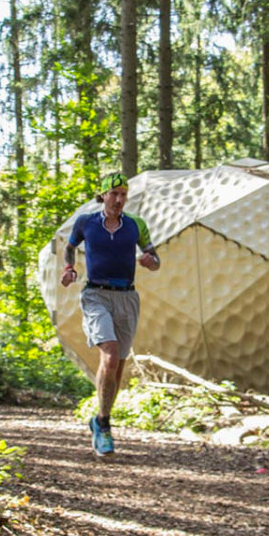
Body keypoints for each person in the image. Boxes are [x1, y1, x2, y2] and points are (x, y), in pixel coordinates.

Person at [61, 172, 161, 456]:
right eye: (114, 193)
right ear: (103, 195)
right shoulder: (86, 223)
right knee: (109, 352)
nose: (119, 200)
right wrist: (69, 269)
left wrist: (149, 260)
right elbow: (70, 247)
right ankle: (105, 426)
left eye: (123, 195)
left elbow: (155, 259)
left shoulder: (135, 225)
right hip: (95, 294)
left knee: (117, 364)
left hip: (127, 297)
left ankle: (100, 418)